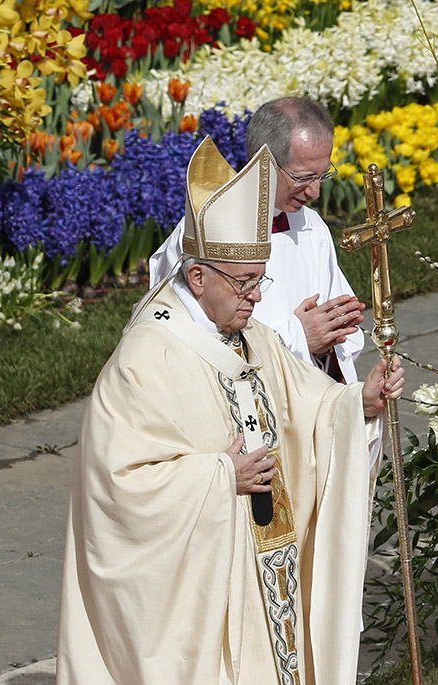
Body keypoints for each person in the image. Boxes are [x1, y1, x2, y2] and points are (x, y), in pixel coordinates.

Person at [57, 138, 404, 684]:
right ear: (198, 278)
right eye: (244, 283)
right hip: (209, 580)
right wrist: (221, 476)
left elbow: (306, 406)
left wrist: (358, 402)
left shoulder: (251, 334)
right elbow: (117, 485)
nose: (258, 297)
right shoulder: (147, 359)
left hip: (269, 560)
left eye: (259, 279)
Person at [150, 96, 366, 383]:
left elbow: (340, 344)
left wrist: (335, 333)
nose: (315, 192)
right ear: (263, 162)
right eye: (303, 177)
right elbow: (182, 341)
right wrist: (297, 338)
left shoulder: (311, 227)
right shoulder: (206, 236)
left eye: (322, 175)